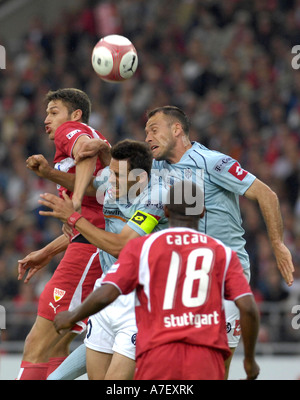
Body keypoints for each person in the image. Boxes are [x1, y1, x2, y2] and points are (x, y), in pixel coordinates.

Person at [75, 105, 294, 378]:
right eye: (146, 132)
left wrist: (278, 246)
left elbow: (267, 195)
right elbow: (120, 172)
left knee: (214, 368)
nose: (148, 137)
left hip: (223, 272)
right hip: (183, 278)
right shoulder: (155, 168)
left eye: (154, 130)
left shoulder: (212, 162)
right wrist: (103, 150)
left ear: (176, 129)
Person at [52, 181, 260, 380]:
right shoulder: (223, 253)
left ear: (166, 211)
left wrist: (72, 316)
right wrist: (249, 360)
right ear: (202, 211)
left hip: (158, 354)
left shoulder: (144, 247)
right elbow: (248, 308)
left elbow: (108, 292)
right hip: (206, 358)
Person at [37, 139, 169, 379]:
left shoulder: (157, 197)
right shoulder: (112, 181)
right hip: (108, 294)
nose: (110, 181)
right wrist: (48, 173)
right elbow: (86, 185)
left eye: (118, 175)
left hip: (141, 301)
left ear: (139, 177)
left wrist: (75, 219)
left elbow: (123, 247)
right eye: (111, 173)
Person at [16, 88, 109, 380]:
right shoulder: (83, 135)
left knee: (36, 344)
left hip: (91, 248)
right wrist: (47, 251)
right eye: (46, 112)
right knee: (57, 345)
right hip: (93, 244)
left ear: (75, 114)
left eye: (53, 111)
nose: (47, 119)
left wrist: (73, 197)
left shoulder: (71, 130)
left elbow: (85, 146)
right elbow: (98, 200)